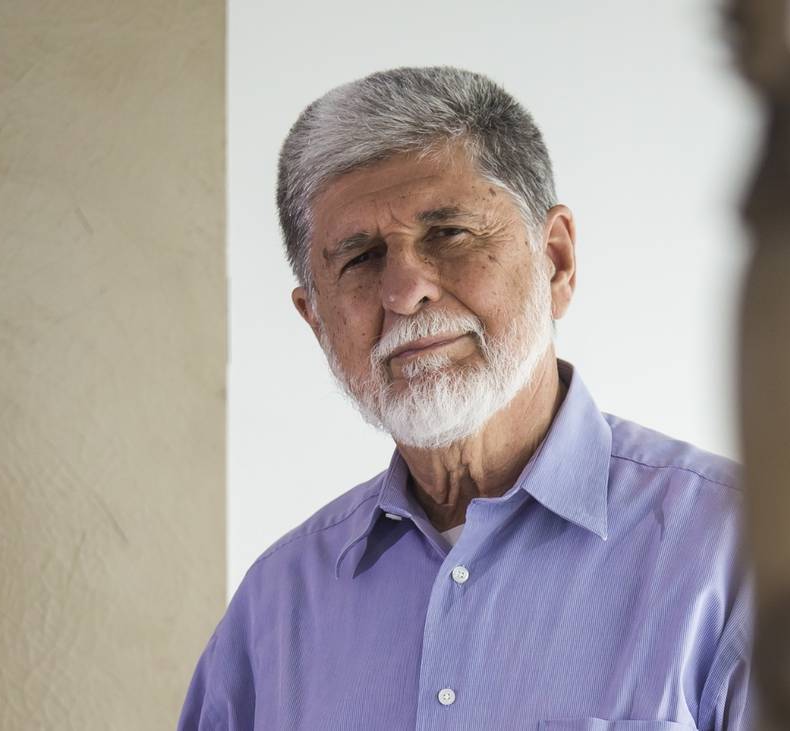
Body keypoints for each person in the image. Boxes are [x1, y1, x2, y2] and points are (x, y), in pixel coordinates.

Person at [178, 66, 752, 730]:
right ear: (316, 321)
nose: (405, 291)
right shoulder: (272, 612)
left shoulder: (738, 551)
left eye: (448, 233)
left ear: (556, 260)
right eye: (360, 258)